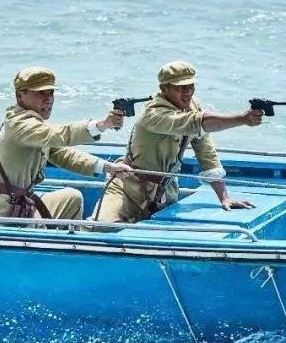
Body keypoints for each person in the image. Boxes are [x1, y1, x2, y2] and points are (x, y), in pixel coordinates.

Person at [91, 61, 262, 225]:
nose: (187, 92)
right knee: (102, 227)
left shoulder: (193, 105)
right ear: (164, 89)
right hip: (129, 187)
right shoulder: (153, 114)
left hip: (166, 190)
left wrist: (224, 197)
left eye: (191, 86)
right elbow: (194, 123)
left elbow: (205, 151)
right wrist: (242, 119)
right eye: (180, 88)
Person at [0, 67, 129, 221]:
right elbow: (58, 134)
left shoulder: (34, 128)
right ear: (20, 95)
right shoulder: (20, 125)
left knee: (72, 198)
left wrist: (108, 167)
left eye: (51, 93)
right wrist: (102, 125)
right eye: (40, 93)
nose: (48, 99)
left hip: (22, 206)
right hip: (0, 215)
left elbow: (64, 155)